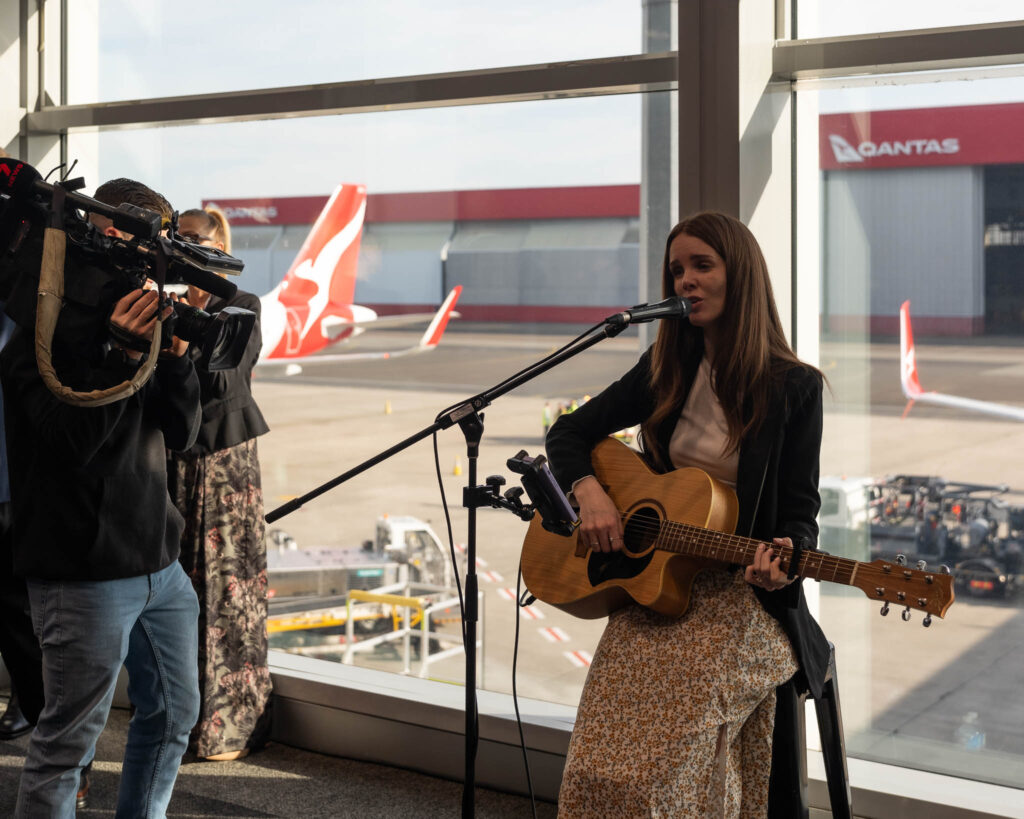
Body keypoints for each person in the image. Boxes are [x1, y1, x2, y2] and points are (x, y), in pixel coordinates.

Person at [545, 211, 830, 817]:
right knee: (599, 756)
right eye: (677, 270)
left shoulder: (794, 387)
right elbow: (569, 432)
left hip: (743, 600)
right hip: (660, 589)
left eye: (703, 266)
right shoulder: (664, 368)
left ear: (740, 277)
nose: (685, 282)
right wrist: (589, 493)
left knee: (666, 767)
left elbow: (802, 512)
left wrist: (784, 556)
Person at [1, 178, 202, 815]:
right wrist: (117, 351)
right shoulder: (37, 339)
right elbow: (72, 445)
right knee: (67, 745)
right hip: (80, 572)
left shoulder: (135, 325)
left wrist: (173, 360)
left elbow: (184, 433)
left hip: (158, 561)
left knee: (174, 716)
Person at [168, 206, 272, 761]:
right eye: (176, 237)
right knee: (180, 590)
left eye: (193, 238)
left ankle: (226, 726)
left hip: (225, 463)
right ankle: (180, 719)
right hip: (175, 459)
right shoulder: (163, 298)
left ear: (218, 243)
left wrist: (184, 336)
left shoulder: (242, 305)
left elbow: (221, 379)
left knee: (228, 590)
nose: (182, 245)